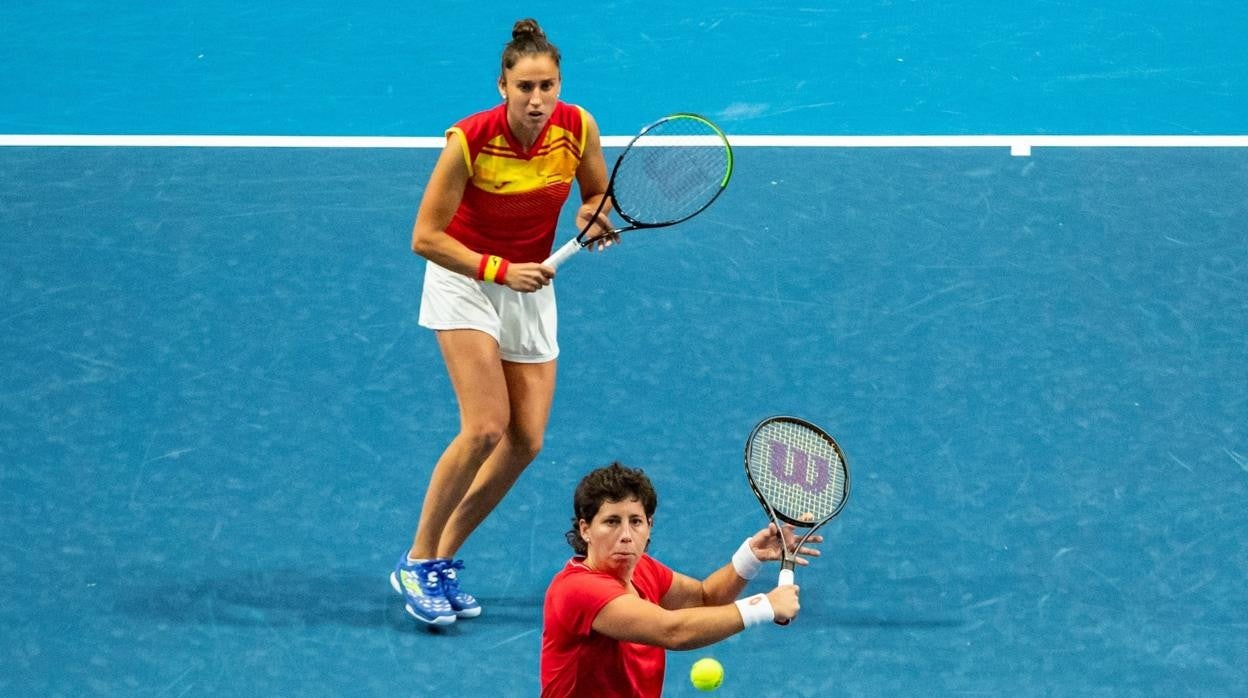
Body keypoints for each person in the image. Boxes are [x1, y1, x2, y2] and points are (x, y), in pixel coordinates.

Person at [391, 18, 615, 626]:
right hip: (466, 276)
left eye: (548, 86)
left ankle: (441, 559)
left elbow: (594, 195)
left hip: (529, 281)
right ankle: (415, 560)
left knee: (526, 439)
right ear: (502, 86)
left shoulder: (579, 128)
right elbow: (424, 236)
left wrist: (593, 219)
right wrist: (496, 268)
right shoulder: (468, 141)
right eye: (525, 87)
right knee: (486, 425)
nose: (538, 99)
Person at [541, 462, 822, 697]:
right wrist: (764, 605)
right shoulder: (577, 589)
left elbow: (703, 598)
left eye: (635, 521)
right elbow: (672, 631)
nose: (626, 535)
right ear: (585, 529)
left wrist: (750, 556)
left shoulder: (644, 570)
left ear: (649, 526)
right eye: (612, 521)